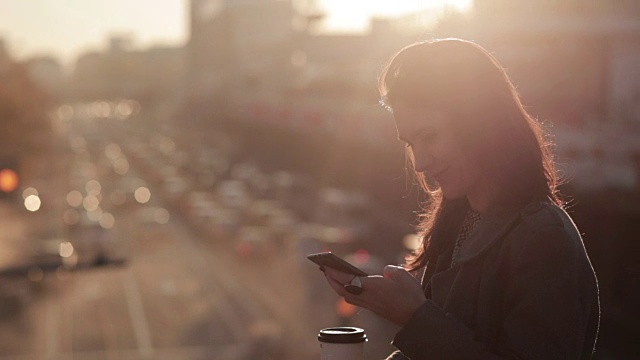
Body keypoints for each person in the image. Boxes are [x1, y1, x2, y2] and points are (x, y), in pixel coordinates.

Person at [320, 38, 600, 359]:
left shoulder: (542, 236)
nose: (420, 162)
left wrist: (414, 317)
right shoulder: (459, 221)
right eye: (411, 143)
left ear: (481, 125)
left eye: (430, 136)